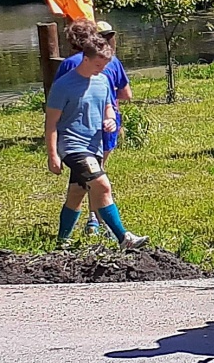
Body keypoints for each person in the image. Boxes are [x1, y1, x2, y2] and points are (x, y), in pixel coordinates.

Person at [45, 19, 148, 251]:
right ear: (85, 58)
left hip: (94, 146)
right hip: (72, 146)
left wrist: (109, 119)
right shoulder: (63, 86)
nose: (101, 69)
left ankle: (62, 242)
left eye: (105, 65)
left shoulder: (102, 81)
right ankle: (124, 238)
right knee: (102, 185)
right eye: (98, 65)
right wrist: (53, 155)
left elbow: (108, 106)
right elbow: (51, 123)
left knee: (77, 192)